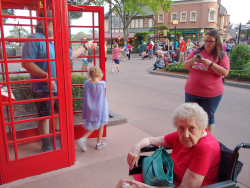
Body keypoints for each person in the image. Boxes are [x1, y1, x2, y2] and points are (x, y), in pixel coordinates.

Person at [22, 10, 97, 152]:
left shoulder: (56, 41)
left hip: (59, 87)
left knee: (57, 113)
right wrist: (46, 76)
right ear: (41, 22)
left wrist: (86, 46)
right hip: (42, 88)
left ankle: (56, 137)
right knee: (44, 115)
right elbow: (26, 63)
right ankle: (46, 143)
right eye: (50, 20)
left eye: (54, 21)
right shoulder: (34, 39)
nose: (52, 23)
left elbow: (70, 55)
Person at [116, 103, 221, 188]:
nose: (186, 135)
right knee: (123, 183)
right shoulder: (179, 136)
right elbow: (150, 140)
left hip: (181, 185)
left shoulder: (206, 147)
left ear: (202, 128)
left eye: (192, 128)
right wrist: (137, 148)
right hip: (166, 179)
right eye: (181, 128)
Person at [183, 30, 230, 134]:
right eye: (206, 41)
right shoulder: (197, 52)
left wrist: (210, 64)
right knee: (190, 116)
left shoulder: (221, 55)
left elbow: (225, 72)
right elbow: (185, 66)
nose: (207, 43)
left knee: (207, 116)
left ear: (216, 42)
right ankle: (192, 137)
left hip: (211, 94)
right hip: (191, 91)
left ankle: (207, 140)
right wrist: (193, 60)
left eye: (210, 41)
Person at [77, 66, 109, 151]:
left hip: (89, 107)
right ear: (99, 74)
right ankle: (84, 139)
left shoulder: (87, 83)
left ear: (89, 74)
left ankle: (96, 142)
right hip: (100, 108)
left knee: (96, 124)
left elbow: (84, 93)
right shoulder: (102, 84)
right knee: (100, 124)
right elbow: (102, 96)